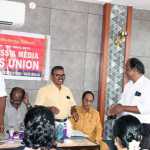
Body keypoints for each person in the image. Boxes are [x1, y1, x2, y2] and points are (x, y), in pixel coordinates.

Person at [108, 57, 150, 123]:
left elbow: (146, 108)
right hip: (126, 125)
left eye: (127, 69)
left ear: (135, 70)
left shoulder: (147, 85)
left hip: (142, 126)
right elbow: (122, 101)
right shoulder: (128, 85)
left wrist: (123, 108)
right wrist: (117, 106)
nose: (125, 72)